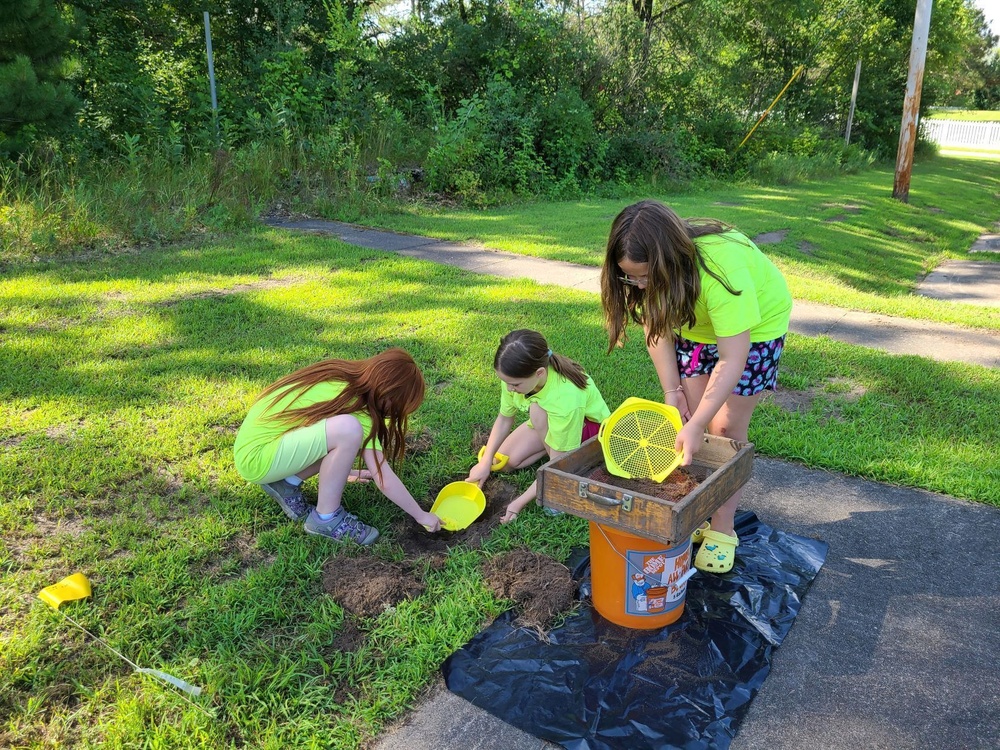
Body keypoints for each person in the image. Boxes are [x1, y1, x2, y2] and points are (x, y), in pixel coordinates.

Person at [602, 200, 791, 573]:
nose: (638, 286)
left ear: (669, 262)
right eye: (630, 278)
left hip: (754, 331)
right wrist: (674, 396)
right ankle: (699, 510)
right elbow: (657, 331)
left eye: (644, 278)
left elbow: (732, 359)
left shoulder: (722, 272)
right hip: (695, 320)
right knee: (689, 418)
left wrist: (698, 421)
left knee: (723, 429)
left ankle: (723, 529)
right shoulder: (654, 273)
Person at [233, 349, 441, 544]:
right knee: (349, 430)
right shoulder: (358, 412)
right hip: (257, 458)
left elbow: (316, 436)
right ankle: (326, 518)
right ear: (388, 396)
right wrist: (421, 515)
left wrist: (343, 470)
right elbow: (383, 478)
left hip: (258, 448)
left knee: (346, 432)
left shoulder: (342, 378)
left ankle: (285, 483)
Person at [466, 329, 611, 523]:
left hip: (590, 433)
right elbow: (504, 419)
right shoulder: (513, 377)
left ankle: (559, 481)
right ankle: (550, 448)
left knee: (538, 413)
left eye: (515, 385)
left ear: (539, 373)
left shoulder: (565, 399)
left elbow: (559, 463)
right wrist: (485, 462)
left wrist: (518, 503)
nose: (510, 389)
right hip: (548, 421)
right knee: (506, 462)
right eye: (506, 382)